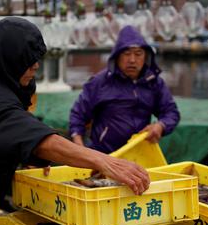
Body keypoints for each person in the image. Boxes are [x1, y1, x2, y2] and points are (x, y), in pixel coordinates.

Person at [0, 17, 150, 225]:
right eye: (28, 60)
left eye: (37, 59)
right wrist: (106, 162)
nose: (36, 66)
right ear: (10, 60)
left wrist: (29, 157)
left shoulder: (1, 83)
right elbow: (45, 142)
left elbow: (5, 136)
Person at [69, 25, 180, 154]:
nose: (132, 60)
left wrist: (161, 126)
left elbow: (171, 112)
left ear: (146, 57)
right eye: (126, 54)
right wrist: (79, 147)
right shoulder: (100, 82)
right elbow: (78, 115)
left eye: (138, 54)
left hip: (138, 154)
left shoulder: (154, 83)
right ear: (117, 56)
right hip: (104, 155)